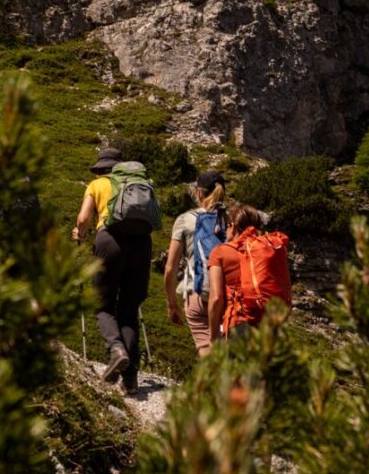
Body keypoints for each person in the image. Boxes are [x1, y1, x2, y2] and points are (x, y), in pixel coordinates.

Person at [71, 146, 158, 394]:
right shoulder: (139, 182)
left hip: (109, 241)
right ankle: (130, 379)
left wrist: (80, 233)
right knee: (129, 309)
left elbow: (83, 218)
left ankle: (116, 349)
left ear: (101, 168)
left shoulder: (97, 185)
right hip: (142, 243)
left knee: (102, 304)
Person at [163, 171, 227, 356]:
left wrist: (171, 303)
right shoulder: (232, 220)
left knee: (207, 352)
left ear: (199, 193)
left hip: (198, 293)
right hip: (226, 295)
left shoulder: (185, 220)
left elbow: (170, 268)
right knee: (228, 353)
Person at [207, 205, 290, 340]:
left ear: (233, 226)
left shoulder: (220, 252)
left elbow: (216, 298)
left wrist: (212, 336)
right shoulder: (267, 251)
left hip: (238, 325)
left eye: (227, 225)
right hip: (269, 329)